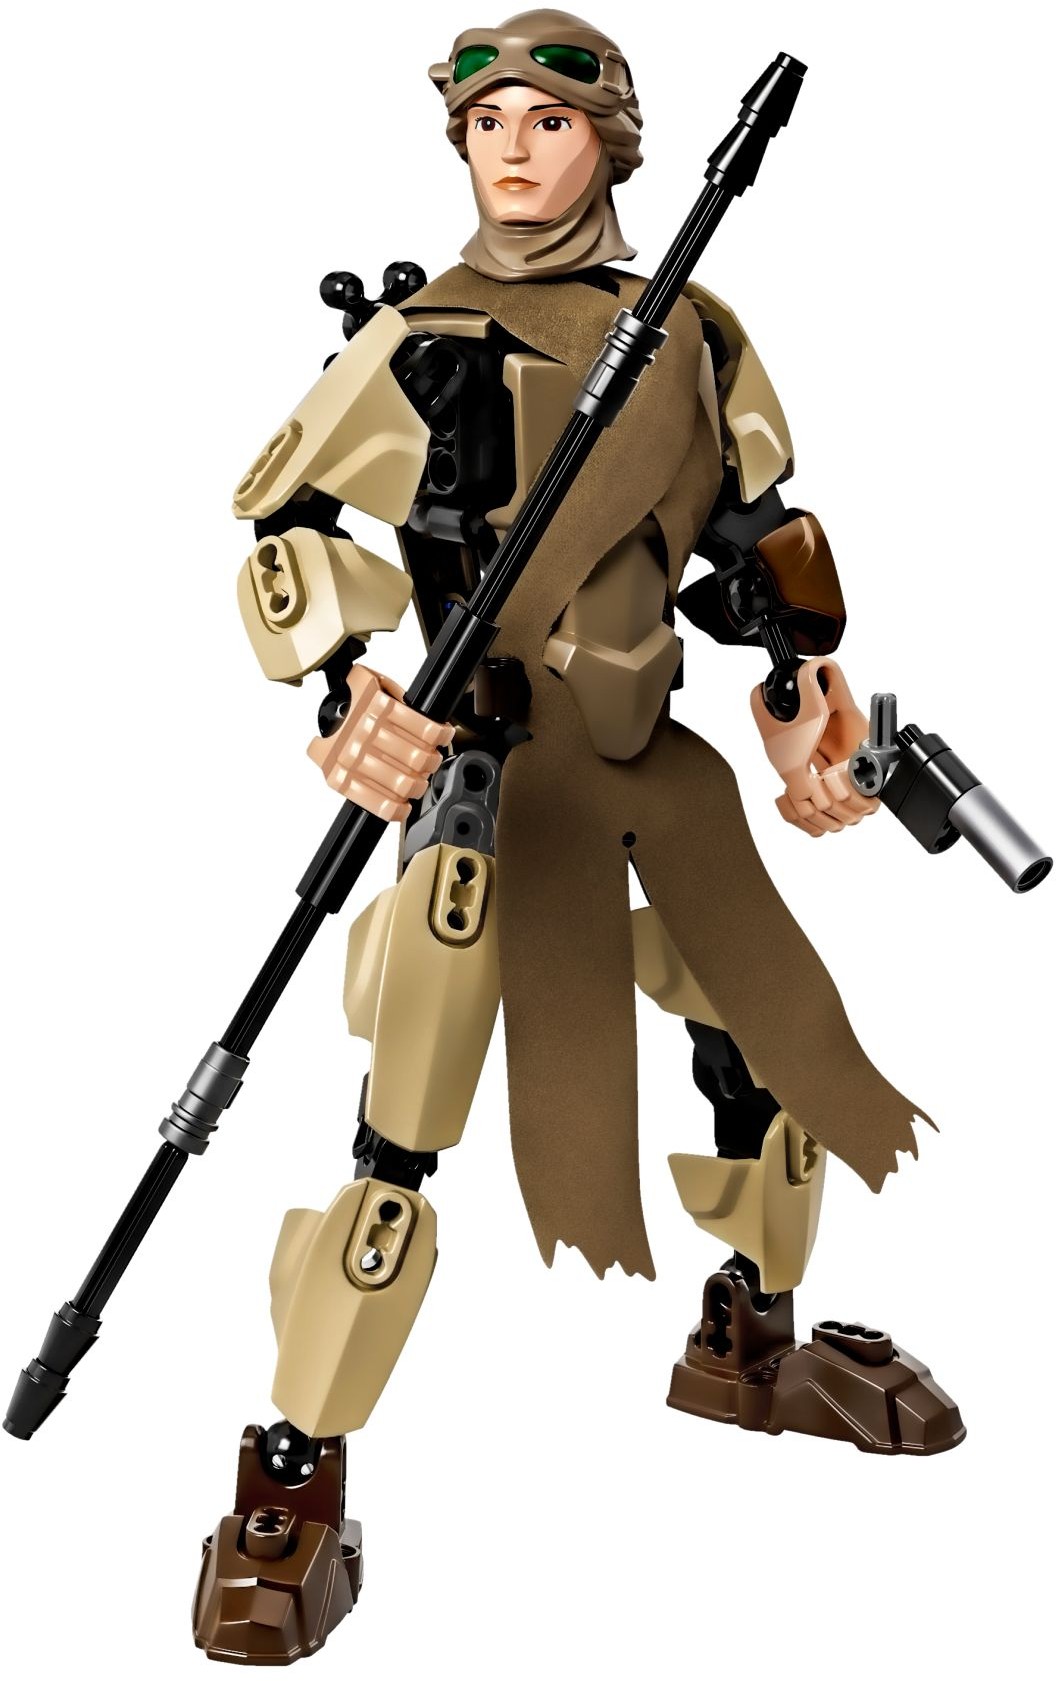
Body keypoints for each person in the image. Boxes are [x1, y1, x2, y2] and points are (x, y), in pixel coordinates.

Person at [197, 10, 962, 1665]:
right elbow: (281, 524)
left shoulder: (692, 335)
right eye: (489, 126)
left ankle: (747, 1340)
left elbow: (757, 541)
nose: (515, 151)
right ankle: (296, 1472)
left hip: (652, 765)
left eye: (549, 122)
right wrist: (343, 684)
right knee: (403, 1137)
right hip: (490, 783)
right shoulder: (421, 339)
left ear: (610, 142)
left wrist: (802, 691)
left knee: (768, 1042)